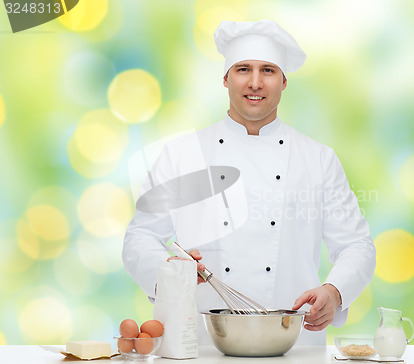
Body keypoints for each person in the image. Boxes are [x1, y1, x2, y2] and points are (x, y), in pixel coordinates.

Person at [123, 19, 376, 345]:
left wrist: (334, 291)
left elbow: (357, 245)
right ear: (226, 78)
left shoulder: (318, 159)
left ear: (283, 82)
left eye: (268, 71)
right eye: (243, 69)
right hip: (202, 345)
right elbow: (140, 238)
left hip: (293, 345)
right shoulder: (182, 154)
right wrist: (169, 271)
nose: (255, 82)